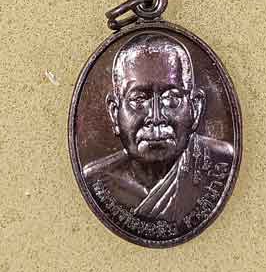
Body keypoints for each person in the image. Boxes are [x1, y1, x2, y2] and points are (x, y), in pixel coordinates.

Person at [84, 32, 233, 223]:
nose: (156, 118)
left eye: (171, 98)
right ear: (114, 112)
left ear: (195, 108)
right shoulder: (96, 180)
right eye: (139, 99)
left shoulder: (221, 161)